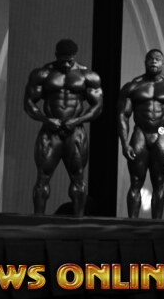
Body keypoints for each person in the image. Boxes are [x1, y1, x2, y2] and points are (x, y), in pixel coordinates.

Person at [24, 39, 103, 215]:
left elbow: (98, 107)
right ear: (56, 55)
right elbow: (28, 103)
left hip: (75, 132)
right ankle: (38, 221)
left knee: (78, 178)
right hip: (50, 132)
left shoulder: (88, 76)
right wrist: (46, 120)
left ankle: (78, 223)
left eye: (69, 60)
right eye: (62, 60)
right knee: (42, 177)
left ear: (75, 56)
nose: (66, 64)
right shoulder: (43, 74)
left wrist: (77, 120)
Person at [117, 49, 164, 219]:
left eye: (157, 59)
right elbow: (123, 116)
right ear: (145, 62)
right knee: (135, 182)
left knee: (159, 183)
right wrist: (124, 143)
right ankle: (132, 224)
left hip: (161, 136)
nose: (154, 62)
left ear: (162, 63)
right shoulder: (133, 86)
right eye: (150, 59)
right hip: (140, 134)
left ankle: (157, 225)